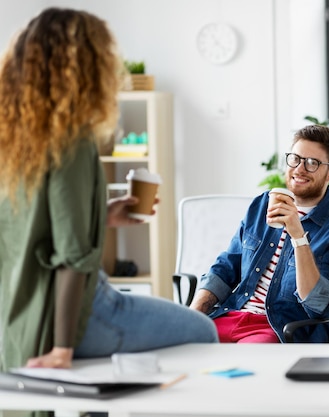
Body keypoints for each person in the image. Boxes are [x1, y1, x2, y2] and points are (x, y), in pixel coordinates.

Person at [0, 8, 218, 371]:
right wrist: (63, 348)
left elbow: (32, 234)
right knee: (204, 330)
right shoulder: (72, 139)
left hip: (18, 310)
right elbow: (73, 258)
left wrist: (102, 216)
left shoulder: (13, 141)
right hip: (79, 315)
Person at [190, 124, 329, 343]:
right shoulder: (262, 204)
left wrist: (298, 236)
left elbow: (317, 302)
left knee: (241, 365)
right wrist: (192, 315)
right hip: (233, 314)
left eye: (312, 163)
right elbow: (225, 268)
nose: (299, 169)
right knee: (178, 344)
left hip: (277, 327)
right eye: (295, 159)